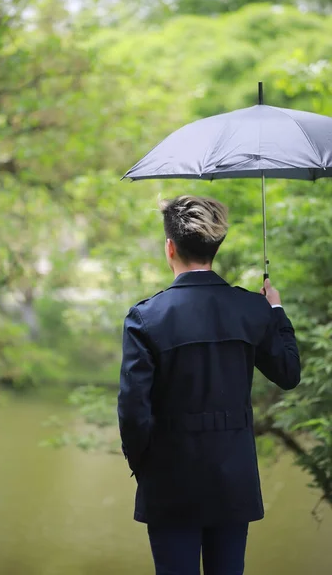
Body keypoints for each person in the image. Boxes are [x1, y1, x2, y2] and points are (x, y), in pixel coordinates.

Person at [117, 195, 300, 575]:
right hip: (233, 479)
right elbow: (288, 373)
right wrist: (275, 311)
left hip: (170, 480)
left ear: (170, 247)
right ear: (215, 246)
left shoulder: (145, 318)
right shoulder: (252, 309)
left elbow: (133, 410)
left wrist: (143, 466)